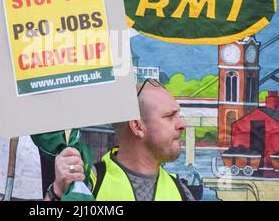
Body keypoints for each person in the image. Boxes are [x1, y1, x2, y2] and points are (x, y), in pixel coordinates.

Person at [45, 78, 195, 201]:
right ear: (137, 126)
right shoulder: (87, 182)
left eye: (178, 116)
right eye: (169, 116)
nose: (182, 124)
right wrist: (58, 190)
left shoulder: (182, 192)